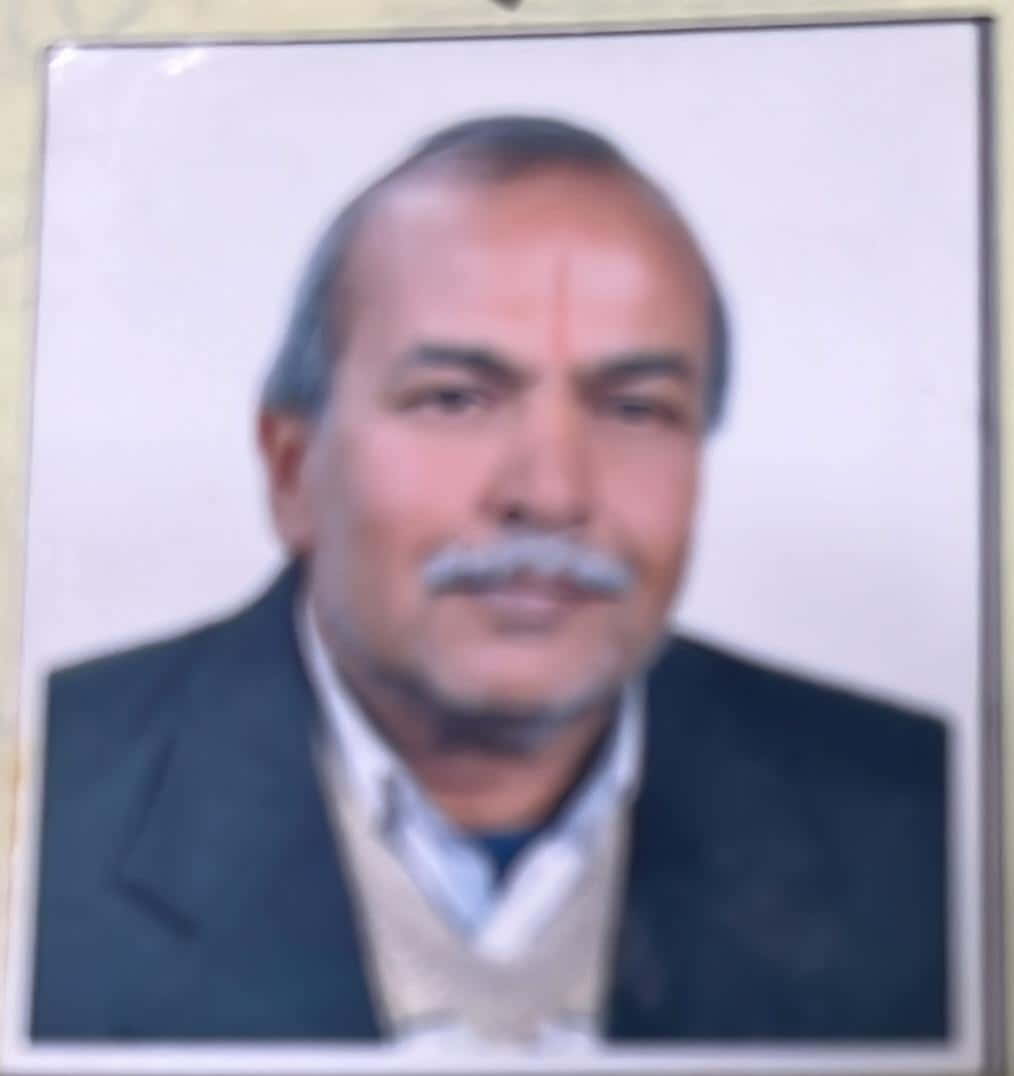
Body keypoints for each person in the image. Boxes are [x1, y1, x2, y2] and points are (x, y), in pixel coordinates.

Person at [31, 115, 948, 1048]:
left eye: (636, 408)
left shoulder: (929, 822)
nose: (550, 495)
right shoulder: (40, 804)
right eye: (455, 399)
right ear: (292, 468)